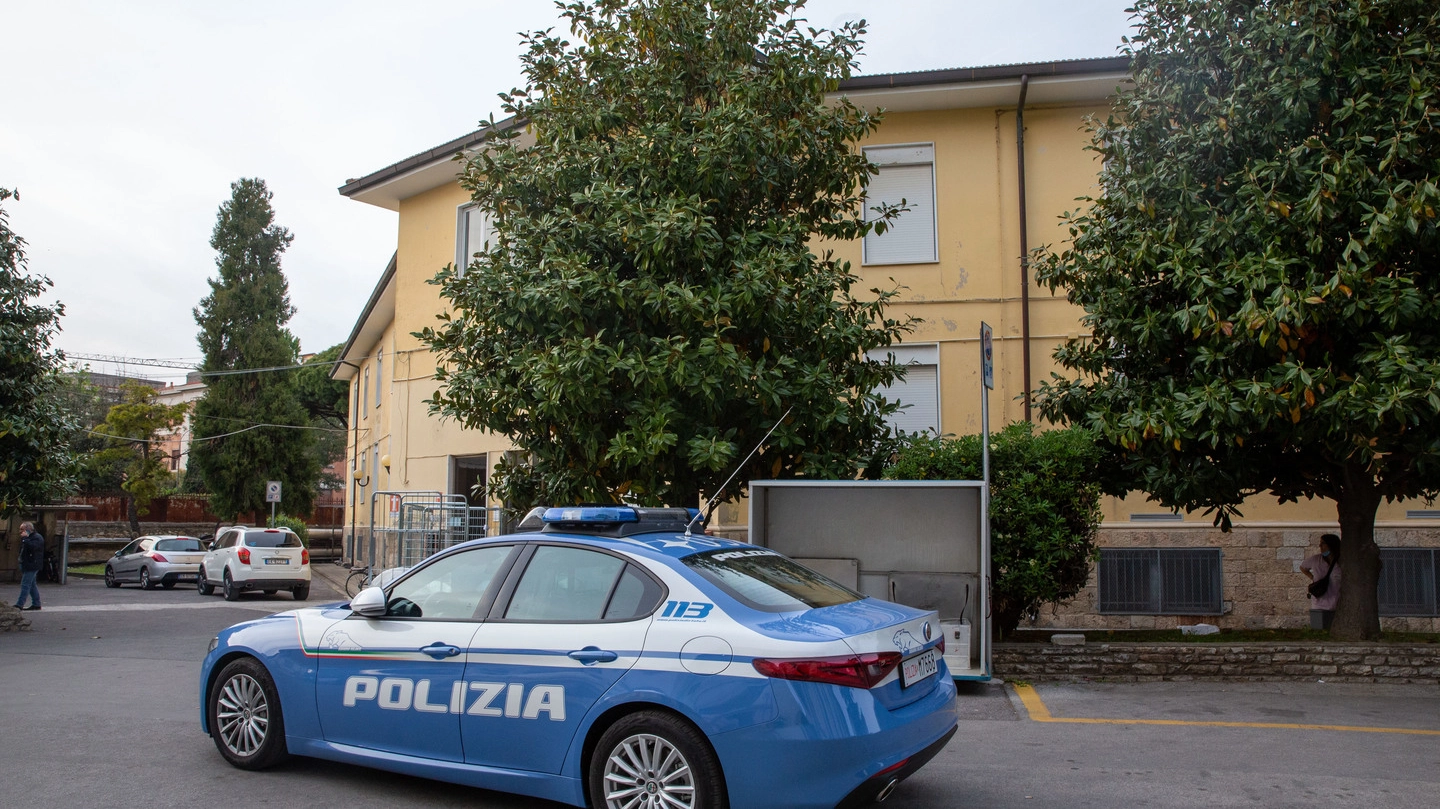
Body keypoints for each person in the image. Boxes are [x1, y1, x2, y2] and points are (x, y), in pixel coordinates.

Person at [1300, 533, 1341, 630]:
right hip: (1319, 601)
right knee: (1319, 627)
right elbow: (1303, 567)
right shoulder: (1315, 560)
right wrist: (1312, 577)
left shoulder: (1340, 561)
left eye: (1323, 543)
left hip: (1336, 599)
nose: (1320, 546)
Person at [14, 521, 45, 611]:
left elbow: (33, 547)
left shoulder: (37, 538)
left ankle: (20, 604)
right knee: (32, 585)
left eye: (22, 529)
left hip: (32, 564)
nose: (20, 531)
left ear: (28, 529)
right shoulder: (28, 538)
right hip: (26, 563)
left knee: (25, 584)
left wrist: (25, 539)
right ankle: (36, 603)